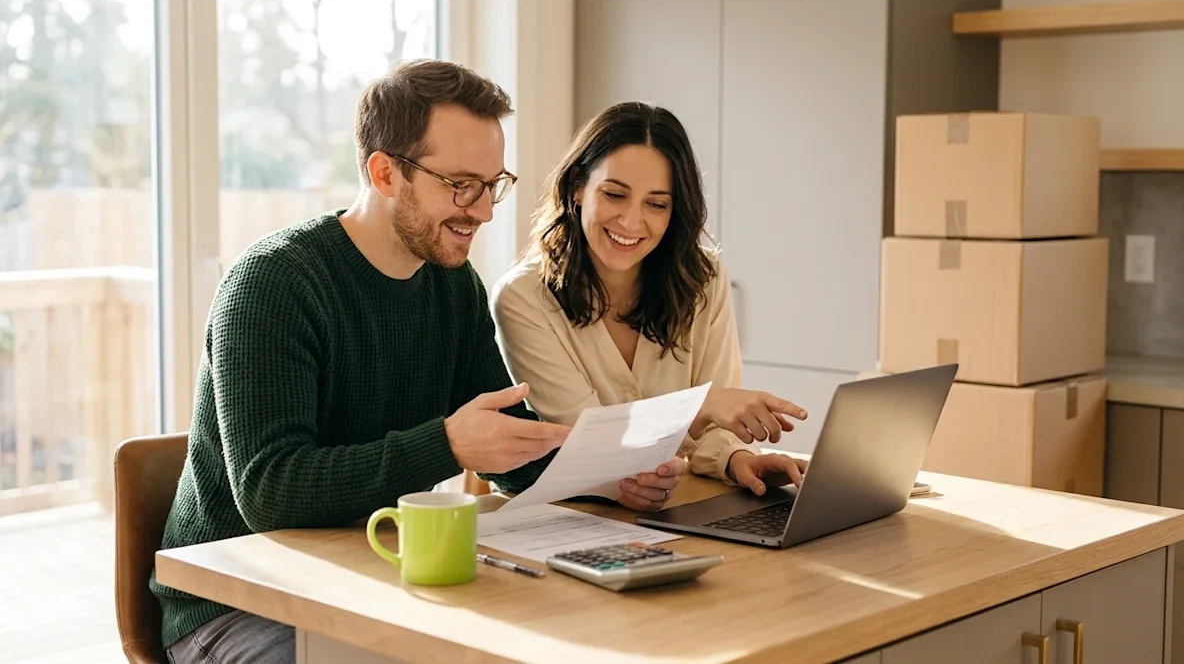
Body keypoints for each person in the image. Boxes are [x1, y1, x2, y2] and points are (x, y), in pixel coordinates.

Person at [149, 60, 660, 664]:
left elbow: (509, 448)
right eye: (460, 185)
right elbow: (270, 491)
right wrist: (447, 444)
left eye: (493, 185)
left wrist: (607, 475)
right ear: (384, 172)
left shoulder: (453, 288)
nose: (483, 211)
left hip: (371, 579)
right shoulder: (274, 283)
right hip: (238, 605)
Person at [491, 101, 811, 510]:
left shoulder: (704, 279)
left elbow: (714, 430)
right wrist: (701, 405)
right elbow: (586, 438)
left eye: (656, 204)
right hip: (574, 515)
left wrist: (737, 460)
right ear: (577, 187)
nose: (630, 221)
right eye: (614, 194)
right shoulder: (523, 298)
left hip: (673, 509)